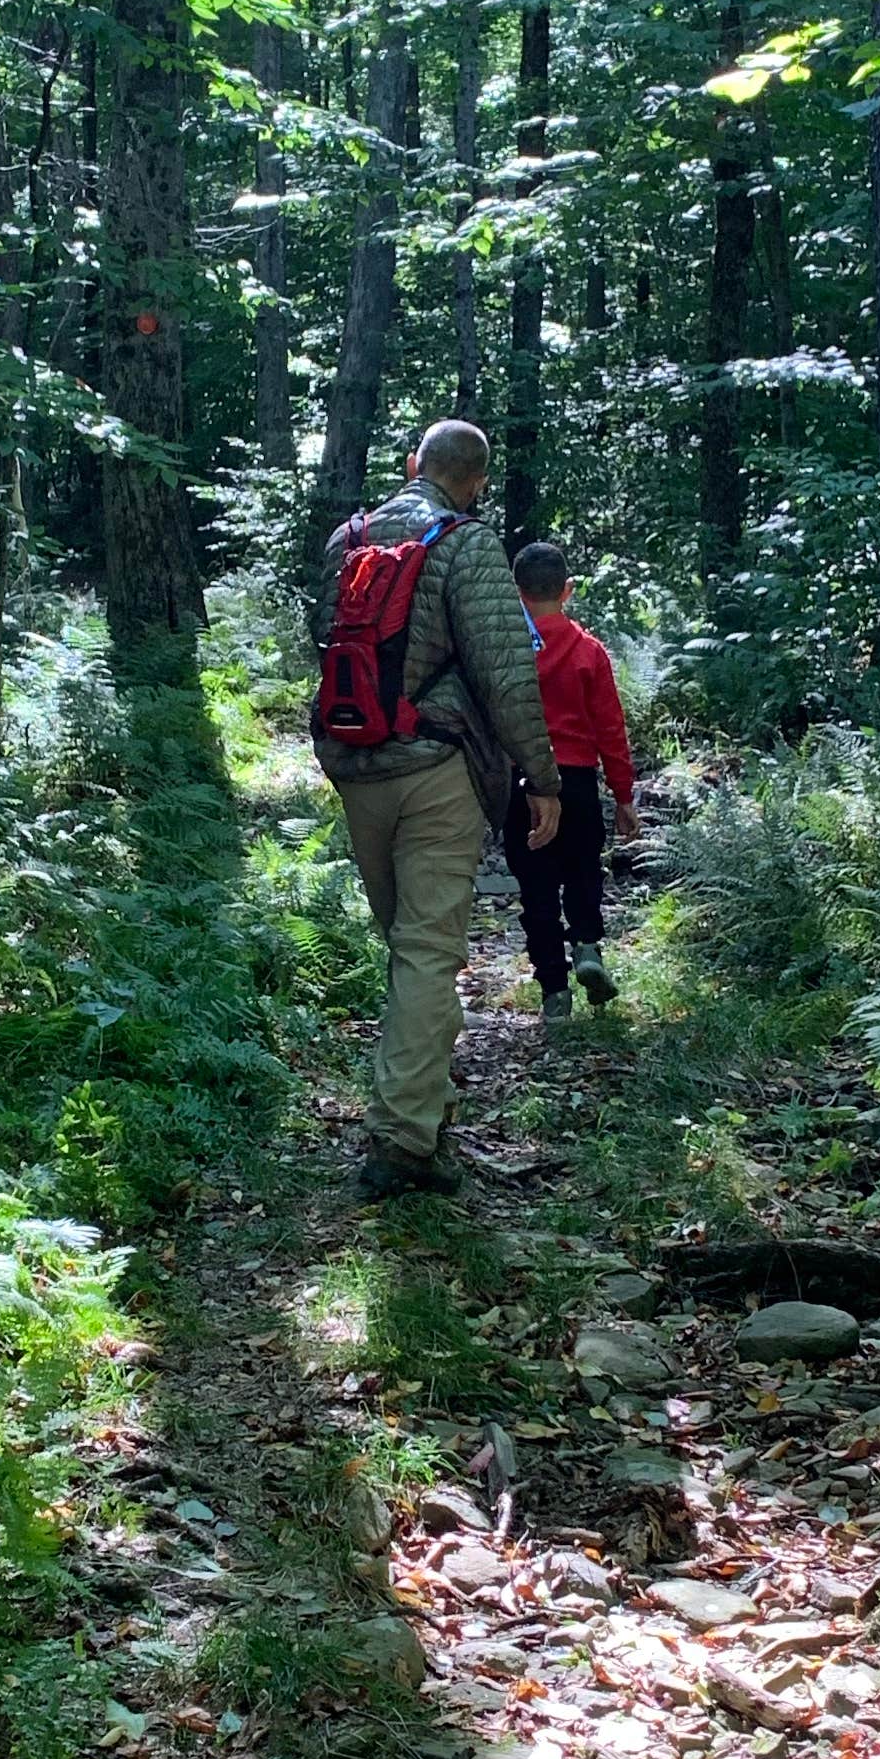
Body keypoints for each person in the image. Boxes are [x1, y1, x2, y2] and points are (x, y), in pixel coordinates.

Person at [312, 419, 560, 1199]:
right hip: (438, 770)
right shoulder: (467, 545)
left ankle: (421, 1098)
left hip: (355, 767)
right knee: (425, 949)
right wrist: (542, 778)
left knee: (404, 942)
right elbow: (507, 674)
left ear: (414, 464)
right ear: (475, 481)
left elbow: (321, 646)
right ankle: (403, 1141)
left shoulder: (346, 540)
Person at [507, 539, 640, 1013]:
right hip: (578, 783)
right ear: (568, 590)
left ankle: (554, 992)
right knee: (584, 870)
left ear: (516, 593)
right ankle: (587, 945)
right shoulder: (590, 653)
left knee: (536, 889)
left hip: (522, 784)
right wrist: (623, 796)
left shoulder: (506, 655)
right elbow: (610, 729)